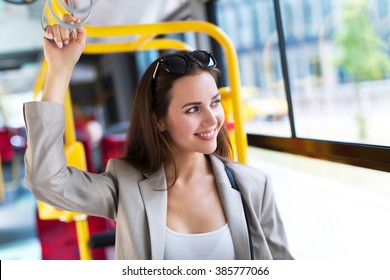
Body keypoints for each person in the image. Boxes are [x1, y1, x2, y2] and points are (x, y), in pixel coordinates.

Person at [24, 15, 294, 260]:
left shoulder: (254, 186)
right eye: (192, 109)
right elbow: (47, 181)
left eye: (214, 103)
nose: (212, 119)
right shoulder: (127, 187)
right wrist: (59, 70)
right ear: (158, 120)